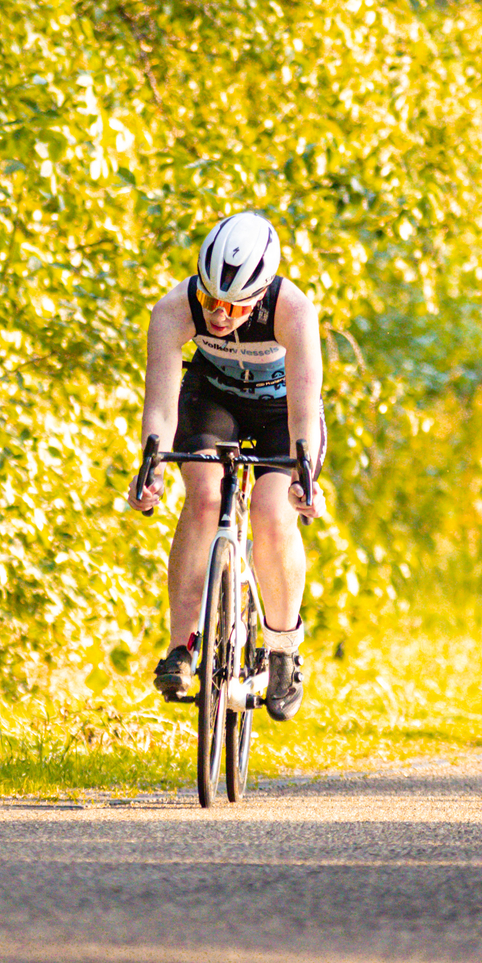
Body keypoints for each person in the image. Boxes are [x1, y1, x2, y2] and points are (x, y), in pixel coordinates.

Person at [129, 211, 325, 721]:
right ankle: (181, 648)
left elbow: (306, 406)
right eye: (212, 300)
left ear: (261, 296)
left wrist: (304, 478)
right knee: (205, 497)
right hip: (211, 399)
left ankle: (282, 650)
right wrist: (150, 466)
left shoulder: (294, 310)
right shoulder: (174, 307)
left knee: (270, 509)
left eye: (234, 305)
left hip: (282, 410)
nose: (218, 315)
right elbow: (161, 405)